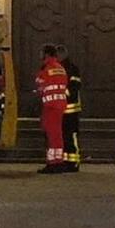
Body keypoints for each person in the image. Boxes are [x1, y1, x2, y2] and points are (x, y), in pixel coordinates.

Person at [34, 43, 78, 173]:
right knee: (57, 134)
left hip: (50, 106)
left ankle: (53, 163)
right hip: (60, 105)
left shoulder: (47, 68)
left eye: (41, 53)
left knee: (52, 135)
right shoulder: (60, 68)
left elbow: (40, 84)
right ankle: (57, 161)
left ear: (46, 54)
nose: (40, 55)